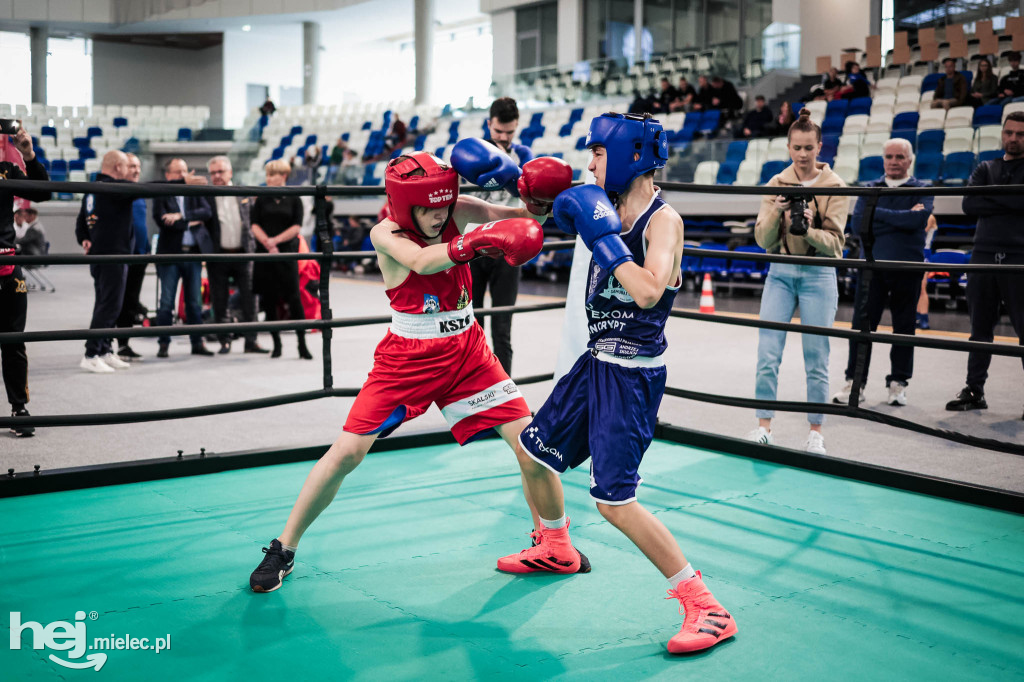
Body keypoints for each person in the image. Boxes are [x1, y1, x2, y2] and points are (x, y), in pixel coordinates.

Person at [247, 150, 576, 593]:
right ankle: (283, 548)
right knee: (347, 454)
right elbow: (423, 262)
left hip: (469, 352)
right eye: (426, 208)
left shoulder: (453, 207)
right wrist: (477, 242)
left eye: (444, 205)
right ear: (405, 205)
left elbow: (509, 215)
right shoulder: (385, 231)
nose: (438, 215)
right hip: (407, 359)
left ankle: (554, 545)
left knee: (531, 446)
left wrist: (536, 201)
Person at [494, 112, 737, 655]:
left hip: (631, 377)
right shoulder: (603, 202)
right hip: (596, 361)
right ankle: (556, 545)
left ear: (628, 154)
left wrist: (604, 240)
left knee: (615, 501)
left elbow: (650, 290)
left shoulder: (661, 220)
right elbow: (543, 207)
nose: (589, 163)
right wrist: (516, 184)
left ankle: (706, 606)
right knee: (533, 452)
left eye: (598, 153)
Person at [748, 110, 847, 454]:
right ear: (789, 148)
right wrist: (778, 210)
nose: (803, 154)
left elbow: (836, 245)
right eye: (797, 148)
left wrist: (811, 223)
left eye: (809, 147)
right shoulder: (776, 184)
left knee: (816, 355)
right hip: (781, 269)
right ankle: (764, 427)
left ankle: (816, 432)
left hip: (819, 272)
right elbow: (761, 240)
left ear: (820, 147)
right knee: (767, 352)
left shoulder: (835, 186)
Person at [832, 138, 932, 407]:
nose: (894, 161)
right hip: (872, 268)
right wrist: (903, 219)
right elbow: (857, 224)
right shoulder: (870, 188)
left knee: (903, 329)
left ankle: (898, 383)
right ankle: (856, 381)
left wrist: (878, 215)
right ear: (883, 159)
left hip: (907, 268)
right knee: (861, 327)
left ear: (909, 160)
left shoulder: (922, 188)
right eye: (889, 156)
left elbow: (918, 221)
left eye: (900, 156)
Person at [946, 111, 1024, 417]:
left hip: (1020, 257)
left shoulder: (989, 174)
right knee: (979, 329)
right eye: (1010, 133)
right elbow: (969, 204)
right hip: (983, 254)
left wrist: (992, 199)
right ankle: (974, 390)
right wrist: (1012, 201)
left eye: (1020, 134)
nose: (1014, 138)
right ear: (1002, 134)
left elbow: (990, 202)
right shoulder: (985, 167)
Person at [468, 97, 551, 375]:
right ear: (489, 123)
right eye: (499, 132)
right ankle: (472, 396)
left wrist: (511, 171)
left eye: (510, 132)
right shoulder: (472, 153)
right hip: (473, 248)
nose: (504, 138)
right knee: (471, 327)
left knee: (502, 328)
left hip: (508, 250)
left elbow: (535, 199)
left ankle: (504, 397)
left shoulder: (524, 154)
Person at [1, 122, 49, 436]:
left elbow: (41, 193)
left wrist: (28, 155)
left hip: (5, 262)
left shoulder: (6, 169)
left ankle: (19, 407)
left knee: (13, 340)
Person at [75, 150, 135, 374]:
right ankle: (91, 353)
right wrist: (182, 182)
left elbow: (81, 222)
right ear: (118, 167)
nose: (130, 172)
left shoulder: (93, 188)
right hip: (112, 256)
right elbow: (153, 189)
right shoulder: (114, 188)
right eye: (128, 167)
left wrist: (84, 238)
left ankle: (104, 350)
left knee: (106, 303)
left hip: (103, 255)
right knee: (109, 305)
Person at [153, 158, 215, 358]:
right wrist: (191, 221)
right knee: (166, 303)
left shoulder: (193, 191)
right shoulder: (162, 192)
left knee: (194, 303)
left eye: (184, 171)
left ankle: (197, 343)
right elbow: (162, 220)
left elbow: (206, 212)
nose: (182, 176)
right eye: (177, 172)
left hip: (193, 254)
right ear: (168, 175)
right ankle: (164, 343)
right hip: (170, 255)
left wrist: (180, 217)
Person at [206, 155, 267, 355]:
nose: (216, 176)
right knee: (220, 300)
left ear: (230, 172)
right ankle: (224, 341)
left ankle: (252, 340)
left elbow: (255, 220)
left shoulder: (244, 193)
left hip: (244, 253)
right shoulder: (205, 195)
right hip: (218, 256)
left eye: (220, 171)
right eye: (213, 173)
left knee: (251, 299)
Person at [251, 159, 311, 359]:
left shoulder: (294, 198)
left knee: (294, 299)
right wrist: (268, 243)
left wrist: (276, 241)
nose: (268, 178)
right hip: (265, 253)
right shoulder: (261, 198)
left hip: (286, 253)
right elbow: (254, 224)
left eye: (272, 175)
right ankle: (276, 344)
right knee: (269, 300)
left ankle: (302, 344)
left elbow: (296, 226)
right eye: (267, 175)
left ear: (283, 176)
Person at [115, 153, 148, 362]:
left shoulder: (140, 192)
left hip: (140, 256)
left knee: (130, 302)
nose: (136, 170)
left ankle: (123, 345)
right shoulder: (117, 191)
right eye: (131, 166)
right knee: (115, 301)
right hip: (121, 256)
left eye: (138, 166)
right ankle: (104, 345)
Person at [916, 215, 938, 330]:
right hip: (916, 251)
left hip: (924, 252)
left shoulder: (930, 217)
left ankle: (924, 318)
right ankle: (917, 316)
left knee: (922, 287)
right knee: (915, 287)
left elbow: (919, 233)